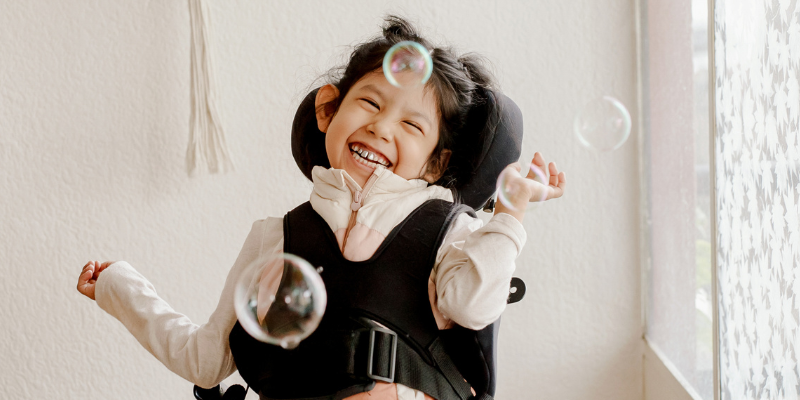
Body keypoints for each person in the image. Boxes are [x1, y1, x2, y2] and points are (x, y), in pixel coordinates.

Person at [77, 15, 565, 400]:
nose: (381, 127)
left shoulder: (449, 232)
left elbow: (471, 307)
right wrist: (120, 288)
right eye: (370, 103)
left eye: (412, 125)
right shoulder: (277, 237)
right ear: (328, 109)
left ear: (438, 163)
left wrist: (510, 215)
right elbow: (206, 361)